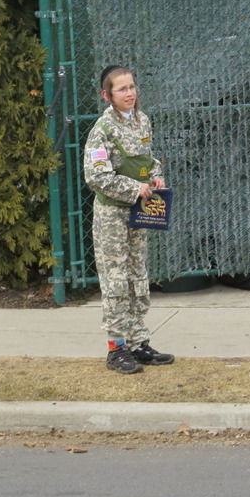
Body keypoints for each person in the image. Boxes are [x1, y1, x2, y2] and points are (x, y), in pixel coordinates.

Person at [83, 65, 174, 374]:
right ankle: (116, 348)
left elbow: (149, 160)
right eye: (122, 89)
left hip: (139, 210)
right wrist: (135, 188)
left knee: (137, 275)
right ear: (107, 95)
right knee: (116, 280)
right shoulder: (103, 130)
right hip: (113, 215)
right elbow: (96, 176)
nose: (130, 93)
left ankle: (138, 342)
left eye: (132, 86)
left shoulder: (141, 120)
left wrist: (156, 178)